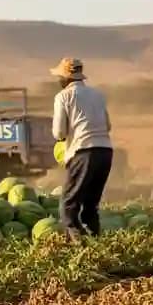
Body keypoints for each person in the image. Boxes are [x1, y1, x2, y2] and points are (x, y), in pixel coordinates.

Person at [50, 58, 113, 238]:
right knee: (90, 207)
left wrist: (66, 139)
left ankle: (79, 248)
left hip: (83, 152)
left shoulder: (63, 96)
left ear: (65, 78)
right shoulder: (97, 95)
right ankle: (95, 243)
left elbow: (59, 132)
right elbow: (108, 126)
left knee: (68, 206)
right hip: (105, 152)